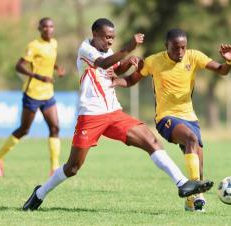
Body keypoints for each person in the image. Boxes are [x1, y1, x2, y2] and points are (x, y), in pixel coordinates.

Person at [22, 18, 213, 211]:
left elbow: (114, 69)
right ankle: (40, 193)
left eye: (113, 37)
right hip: (91, 116)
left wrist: (128, 63)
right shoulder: (85, 50)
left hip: (114, 112)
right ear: (94, 34)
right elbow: (104, 64)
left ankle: (182, 184)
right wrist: (130, 47)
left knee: (151, 141)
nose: (110, 41)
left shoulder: (108, 50)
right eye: (107, 37)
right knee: (72, 168)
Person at [111, 28, 231, 211]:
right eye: (176, 48)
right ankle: (197, 194)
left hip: (190, 118)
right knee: (191, 139)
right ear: (166, 46)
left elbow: (222, 71)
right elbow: (131, 80)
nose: (180, 52)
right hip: (166, 118)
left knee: (199, 164)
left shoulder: (194, 57)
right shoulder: (154, 61)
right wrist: (115, 81)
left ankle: (191, 202)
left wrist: (229, 60)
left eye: (183, 47)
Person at [0, 17, 65, 177]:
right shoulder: (33, 46)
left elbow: (49, 61)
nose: (49, 29)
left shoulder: (54, 43)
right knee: (24, 130)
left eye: (51, 26)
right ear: (40, 29)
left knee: (55, 128)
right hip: (32, 93)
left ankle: (54, 168)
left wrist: (57, 68)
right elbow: (19, 65)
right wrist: (38, 76)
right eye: (45, 27)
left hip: (48, 93)